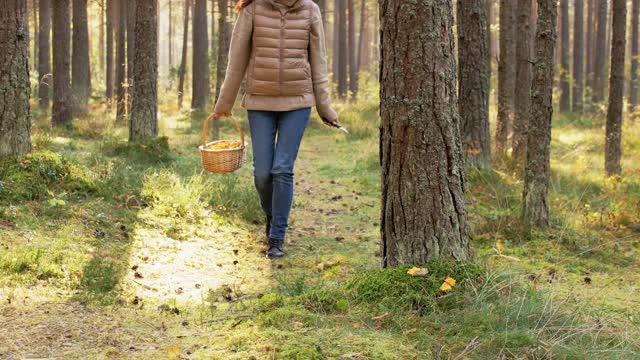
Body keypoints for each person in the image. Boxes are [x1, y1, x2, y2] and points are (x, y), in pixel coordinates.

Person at [213, 0, 340, 258]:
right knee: (262, 173)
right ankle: (273, 216)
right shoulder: (252, 9)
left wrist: (325, 108)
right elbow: (236, 60)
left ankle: (277, 236)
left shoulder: (310, 10)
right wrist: (225, 102)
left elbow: (319, 62)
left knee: (282, 168)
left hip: (298, 102)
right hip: (260, 100)